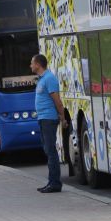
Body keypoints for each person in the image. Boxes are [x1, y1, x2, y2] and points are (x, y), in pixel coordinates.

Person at [30, 54, 67, 193]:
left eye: (32, 63)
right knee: (48, 149)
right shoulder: (42, 79)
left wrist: (62, 117)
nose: (31, 66)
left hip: (49, 119)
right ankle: (51, 181)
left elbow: (57, 101)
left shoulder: (49, 79)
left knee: (51, 151)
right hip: (43, 118)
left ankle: (55, 183)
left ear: (38, 64)